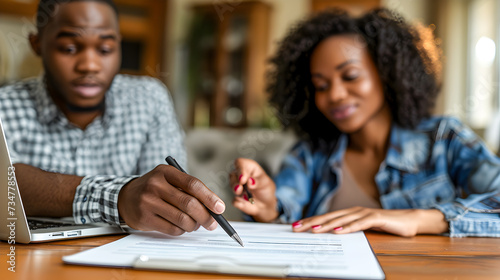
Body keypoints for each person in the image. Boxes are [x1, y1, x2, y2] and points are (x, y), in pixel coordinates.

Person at [230, 8, 500, 237]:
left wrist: (418, 219)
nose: (334, 95)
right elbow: (284, 206)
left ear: (387, 74)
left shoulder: (444, 138)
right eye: (321, 86)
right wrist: (267, 206)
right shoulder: (312, 152)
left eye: (350, 76)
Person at [0, 0, 227, 236]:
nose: (90, 65)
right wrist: (118, 197)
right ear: (37, 44)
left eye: (105, 49)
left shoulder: (148, 98)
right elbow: (2, 184)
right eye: (68, 48)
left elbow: (163, 197)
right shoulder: (4, 106)